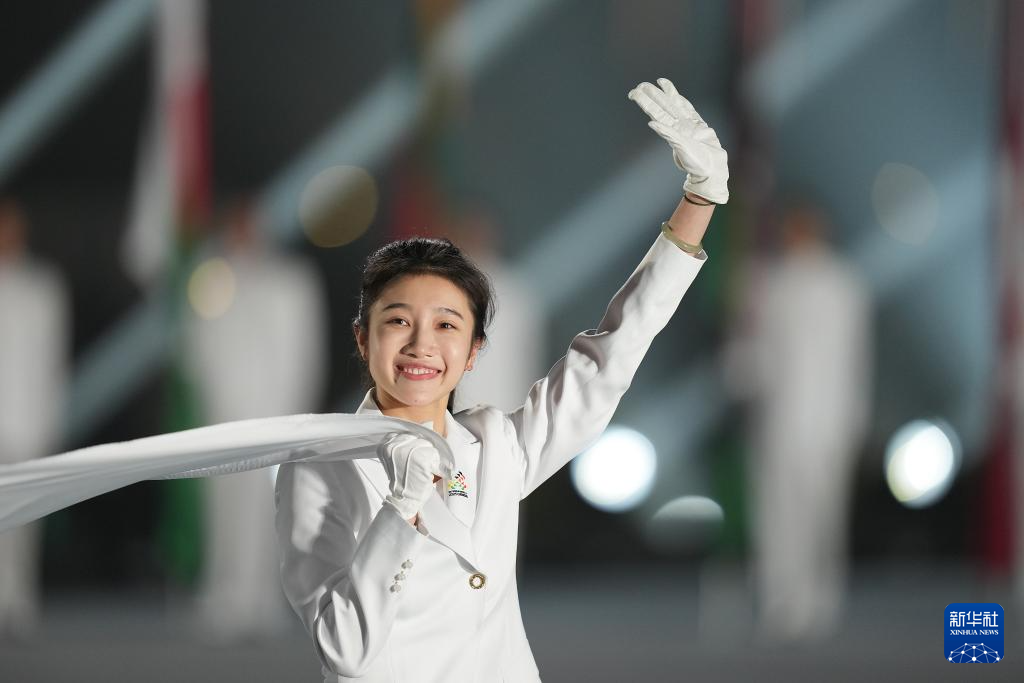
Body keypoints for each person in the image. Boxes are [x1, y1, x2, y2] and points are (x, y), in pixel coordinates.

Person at [274, 78, 728, 682]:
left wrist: (700, 201)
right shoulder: (319, 467)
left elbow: (609, 358)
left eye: (446, 325)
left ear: (473, 353)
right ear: (362, 337)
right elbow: (344, 649)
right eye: (398, 321)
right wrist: (401, 507)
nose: (421, 345)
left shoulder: (492, 447)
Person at [184, 200, 327, 640]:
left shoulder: (291, 281)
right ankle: (224, 594)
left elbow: (305, 351)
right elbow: (197, 346)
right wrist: (212, 401)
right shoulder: (212, 278)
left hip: (275, 413)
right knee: (223, 507)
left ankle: (263, 599)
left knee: (272, 509)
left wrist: (296, 413)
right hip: (226, 415)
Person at [739, 200, 872, 642]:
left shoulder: (841, 284)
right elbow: (757, 358)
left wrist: (855, 416)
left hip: (826, 418)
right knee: (779, 512)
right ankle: (782, 596)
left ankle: (821, 596)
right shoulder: (770, 283)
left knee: (823, 511)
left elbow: (856, 358)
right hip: (782, 417)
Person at [0, 199, 69, 640]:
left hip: (26, 416)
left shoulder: (44, 286)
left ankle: (18, 599)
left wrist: (51, 419)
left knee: (23, 518)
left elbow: (53, 359)